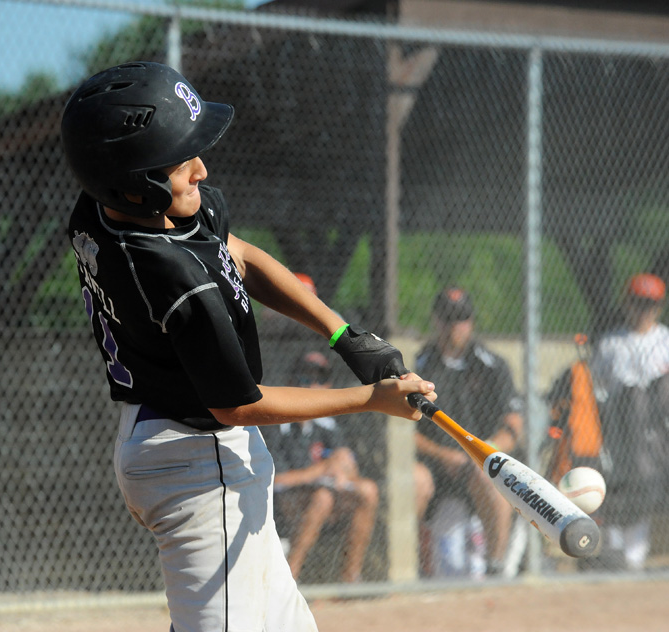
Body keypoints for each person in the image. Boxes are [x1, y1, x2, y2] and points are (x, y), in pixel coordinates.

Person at [61, 61, 435, 632]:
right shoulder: (175, 279)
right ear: (137, 183)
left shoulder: (108, 210)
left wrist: (344, 336)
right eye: (184, 163)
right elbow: (237, 403)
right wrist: (368, 400)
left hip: (178, 439)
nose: (203, 170)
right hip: (196, 459)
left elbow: (240, 254)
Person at [413, 287, 523, 577]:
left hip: (480, 460)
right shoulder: (420, 366)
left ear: (471, 322)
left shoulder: (492, 365)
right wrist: (443, 455)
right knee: (414, 479)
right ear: (435, 321)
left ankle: (496, 566)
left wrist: (485, 451)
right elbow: (404, 433)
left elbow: (513, 423)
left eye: (461, 319)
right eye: (447, 318)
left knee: (490, 476)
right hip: (436, 464)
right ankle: (412, 568)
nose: (454, 327)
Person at [263, 351, 379, 583]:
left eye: (321, 379)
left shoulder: (328, 425)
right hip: (281, 504)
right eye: (306, 378)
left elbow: (346, 465)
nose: (314, 385)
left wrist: (343, 470)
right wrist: (323, 469)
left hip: (324, 497)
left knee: (368, 490)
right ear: (290, 383)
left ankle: (351, 579)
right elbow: (275, 481)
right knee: (322, 498)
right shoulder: (275, 423)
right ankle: (289, 578)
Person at [589, 272, 669, 571]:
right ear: (626, 303)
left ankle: (633, 559)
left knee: (644, 490)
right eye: (637, 302)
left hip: (656, 434)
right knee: (614, 494)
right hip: (617, 431)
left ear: (659, 307)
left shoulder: (665, 340)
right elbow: (596, 388)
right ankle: (616, 557)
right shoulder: (611, 343)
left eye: (650, 304)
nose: (643, 310)